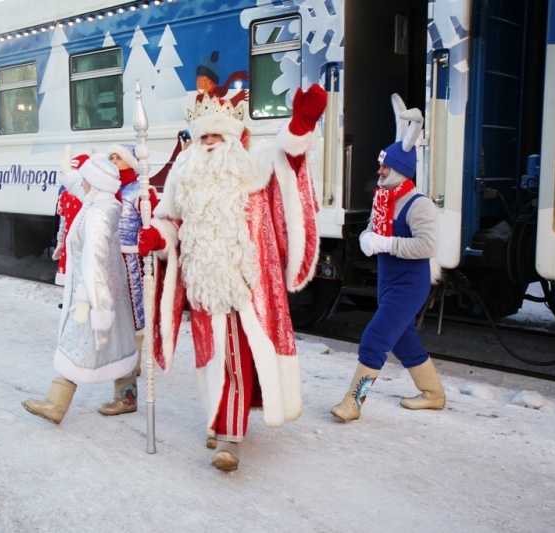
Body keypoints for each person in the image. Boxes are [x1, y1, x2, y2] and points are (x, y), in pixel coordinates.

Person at [137, 85, 327, 471]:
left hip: (246, 287)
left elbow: (289, 160)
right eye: (202, 135)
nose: (208, 143)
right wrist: (158, 237)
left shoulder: (253, 167)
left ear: (233, 138)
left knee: (238, 360)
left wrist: (301, 124)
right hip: (203, 287)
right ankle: (222, 419)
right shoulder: (182, 175)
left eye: (216, 135)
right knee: (212, 358)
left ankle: (228, 438)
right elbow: (172, 222)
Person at [330, 94, 445, 423]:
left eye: (385, 165)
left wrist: (386, 243)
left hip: (410, 284)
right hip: (389, 281)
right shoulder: (384, 199)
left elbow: (427, 246)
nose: (379, 170)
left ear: (401, 170)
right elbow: (371, 229)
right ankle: (434, 394)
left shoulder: (418, 204)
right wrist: (368, 237)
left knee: (375, 339)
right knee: (404, 340)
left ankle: (354, 402)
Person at [22, 157, 138, 425]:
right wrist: (69, 173)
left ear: (96, 184)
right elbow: (79, 186)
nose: (82, 183)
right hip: (107, 290)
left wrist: (95, 302)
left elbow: (95, 259)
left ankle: (55, 404)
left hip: (95, 292)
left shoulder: (98, 213)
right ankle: (127, 397)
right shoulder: (100, 202)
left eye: (86, 179)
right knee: (118, 340)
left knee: (78, 343)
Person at [104, 144, 159, 382]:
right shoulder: (105, 189)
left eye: (119, 157)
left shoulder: (140, 190)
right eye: (111, 157)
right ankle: (115, 354)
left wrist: (143, 242)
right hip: (107, 255)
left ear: (131, 163)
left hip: (130, 258)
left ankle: (134, 359)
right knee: (111, 305)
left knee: (134, 306)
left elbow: (153, 222)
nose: (114, 160)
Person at [53, 154, 90, 286]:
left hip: (85, 244)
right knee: (70, 276)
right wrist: (60, 241)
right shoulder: (64, 194)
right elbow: (62, 222)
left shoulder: (89, 196)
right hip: (70, 243)